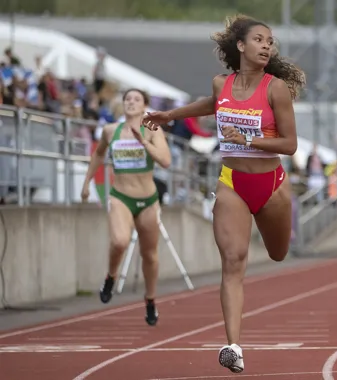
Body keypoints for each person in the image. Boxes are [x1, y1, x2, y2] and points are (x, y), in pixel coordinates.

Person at [142, 14, 306, 373]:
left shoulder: (275, 88)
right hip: (232, 182)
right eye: (260, 40)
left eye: (270, 41)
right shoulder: (222, 84)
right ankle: (234, 346)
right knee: (233, 262)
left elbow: (290, 144)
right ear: (241, 46)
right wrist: (170, 115)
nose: (267, 46)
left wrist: (248, 138)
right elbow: (209, 104)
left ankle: (235, 341)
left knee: (278, 254)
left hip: (271, 184)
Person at [81, 88, 171, 326]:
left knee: (149, 255)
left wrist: (144, 142)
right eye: (127, 99)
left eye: (137, 99)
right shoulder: (111, 131)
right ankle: (111, 276)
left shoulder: (152, 129)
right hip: (121, 196)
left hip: (148, 200)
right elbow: (98, 155)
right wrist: (86, 182)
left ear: (144, 106)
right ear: (123, 105)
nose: (131, 102)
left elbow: (166, 160)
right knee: (119, 241)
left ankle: (150, 300)